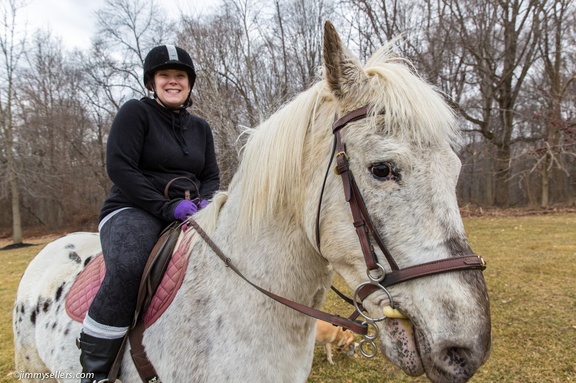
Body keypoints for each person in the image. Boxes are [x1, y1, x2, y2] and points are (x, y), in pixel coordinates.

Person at [77, 45, 220, 383]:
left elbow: (211, 175)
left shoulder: (201, 128)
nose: (173, 81)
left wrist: (207, 201)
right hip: (132, 208)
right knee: (128, 265)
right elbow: (120, 168)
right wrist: (165, 206)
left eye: (180, 76)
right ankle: (95, 371)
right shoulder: (134, 114)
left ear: (189, 83)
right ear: (151, 82)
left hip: (189, 212)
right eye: (165, 75)